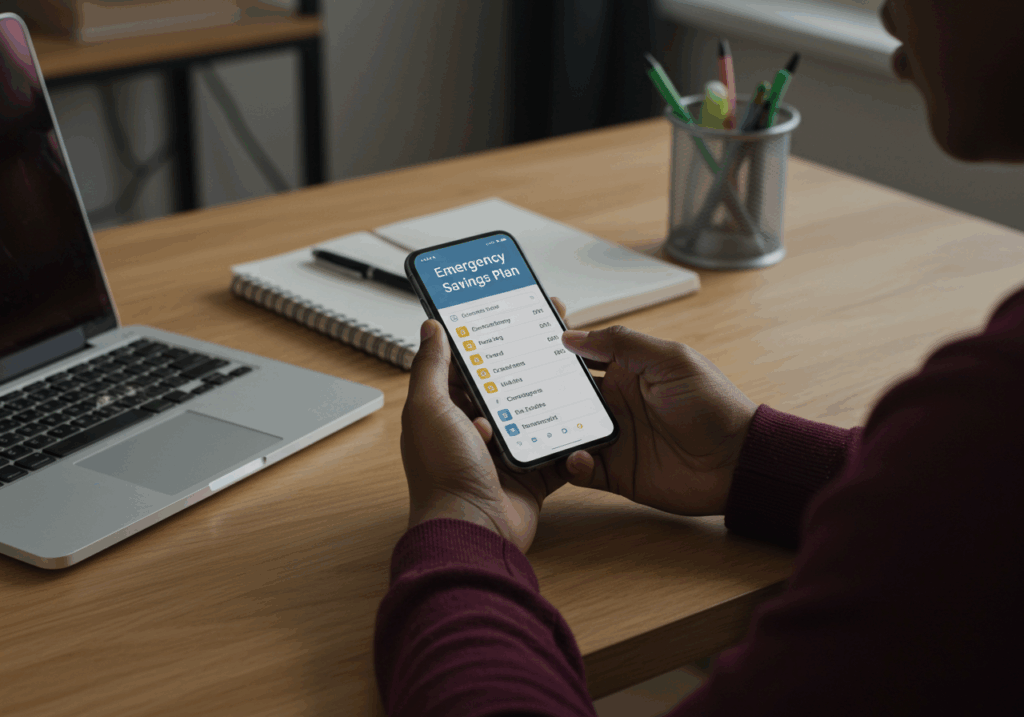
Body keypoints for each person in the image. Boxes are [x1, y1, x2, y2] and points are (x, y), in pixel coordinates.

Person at [374, 1, 1024, 714]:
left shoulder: (992, 411)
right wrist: (747, 455)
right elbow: (961, 519)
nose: (886, 6)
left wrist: (462, 527)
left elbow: (973, 489)